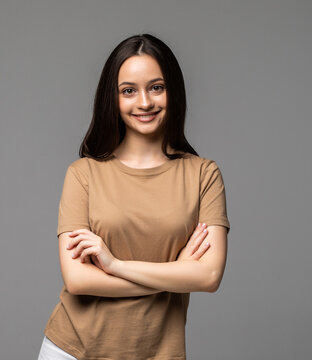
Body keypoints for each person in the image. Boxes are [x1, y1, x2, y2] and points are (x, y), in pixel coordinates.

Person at [38, 33, 230, 360]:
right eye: (129, 91)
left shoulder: (203, 175)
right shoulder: (83, 173)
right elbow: (78, 280)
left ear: (174, 91)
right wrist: (176, 273)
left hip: (158, 353)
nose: (144, 102)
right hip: (72, 350)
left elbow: (209, 276)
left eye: (156, 87)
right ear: (112, 99)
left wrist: (114, 265)